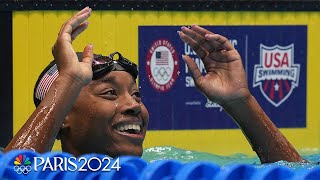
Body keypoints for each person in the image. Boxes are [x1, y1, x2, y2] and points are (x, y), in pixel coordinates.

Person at [4, 7, 303, 163]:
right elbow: (16, 170)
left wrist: (241, 103)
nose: (134, 105)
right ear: (64, 115)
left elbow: (296, 176)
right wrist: (68, 80)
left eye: (136, 94)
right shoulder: (51, 172)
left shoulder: (168, 164)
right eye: (110, 93)